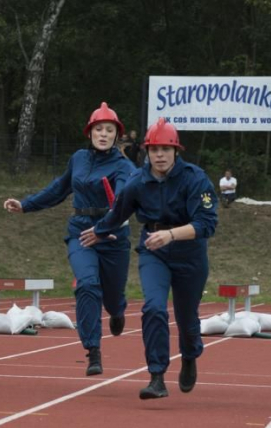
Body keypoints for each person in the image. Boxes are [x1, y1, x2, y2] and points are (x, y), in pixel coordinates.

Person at [81, 117, 218, 400]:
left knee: (186, 318)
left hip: (190, 253)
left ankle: (190, 356)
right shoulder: (137, 180)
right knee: (154, 308)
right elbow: (119, 213)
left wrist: (171, 235)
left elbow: (207, 224)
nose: (159, 155)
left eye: (165, 150)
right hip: (153, 251)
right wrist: (99, 230)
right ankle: (157, 376)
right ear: (146, 151)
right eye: (154, 149)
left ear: (176, 151)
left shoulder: (195, 178)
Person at [4, 102, 135, 377]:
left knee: (112, 299)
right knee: (87, 285)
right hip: (81, 232)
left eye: (109, 130)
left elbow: (123, 199)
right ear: (90, 132)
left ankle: (117, 311)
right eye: (98, 129)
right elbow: (59, 189)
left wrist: (105, 227)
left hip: (112, 235)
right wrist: (26, 205)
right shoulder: (78, 158)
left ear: (116, 135)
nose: (103, 134)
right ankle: (93, 350)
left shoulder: (124, 166)